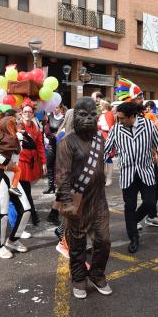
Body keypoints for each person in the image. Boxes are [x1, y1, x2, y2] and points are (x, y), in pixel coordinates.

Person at [56, 97, 112, 299]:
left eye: (92, 114)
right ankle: (79, 278)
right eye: (83, 114)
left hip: (99, 200)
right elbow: (62, 175)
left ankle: (97, 274)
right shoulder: (66, 143)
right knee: (77, 244)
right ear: (75, 116)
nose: (88, 119)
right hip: (77, 201)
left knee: (104, 241)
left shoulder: (100, 139)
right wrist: (67, 202)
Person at [104, 101, 158, 253]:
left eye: (122, 118)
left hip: (146, 171)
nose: (119, 121)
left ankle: (132, 222)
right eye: (118, 118)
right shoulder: (116, 129)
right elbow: (106, 150)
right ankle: (133, 237)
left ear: (132, 116)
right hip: (127, 174)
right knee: (129, 206)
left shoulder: (148, 125)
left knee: (150, 202)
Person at [0, 116, 32, 259]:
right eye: (13, 123)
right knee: (2, 213)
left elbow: (32, 145)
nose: (16, 125)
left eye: (16, 123)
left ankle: (13, 240)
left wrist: (24, 133)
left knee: (26, 209)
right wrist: (3, 163)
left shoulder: (17, 137)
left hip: (12, 176)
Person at [18, 103, 46, 226]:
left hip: (31, 162)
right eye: (25, 112)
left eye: (29, 112)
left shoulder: (35, 128)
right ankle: (32, 215)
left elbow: (40, 146)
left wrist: (44, 162)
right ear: (21, 113)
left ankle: (29, 213)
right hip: (19, 162)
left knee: (25, 189)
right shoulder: (18, 126)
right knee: (24, 190)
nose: (27, 114)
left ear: (33, 114)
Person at [43, 105, 65, 194]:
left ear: (61, 109)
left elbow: (66, 130)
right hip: (51, 144)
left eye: (56, 108)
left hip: (61, 145)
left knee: (60, 166)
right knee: (50, 165)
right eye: (53, 108)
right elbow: (47, 131)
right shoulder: (49, 118)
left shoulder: (64, 118)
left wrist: (59, 135)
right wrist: (54, 135)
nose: (54, 110)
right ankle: (51, 186)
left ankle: (60, 186)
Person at [97, 100, 115, 187]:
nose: (99, 106)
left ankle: (109, 178)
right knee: (101, 158)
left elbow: (110, 127)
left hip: (106, 137)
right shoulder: (102, 114)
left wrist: (100, 128)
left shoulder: (109, 114)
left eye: (101, 105)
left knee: (108, 158)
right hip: (100, 137)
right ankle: (102, 177)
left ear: (105, 105)